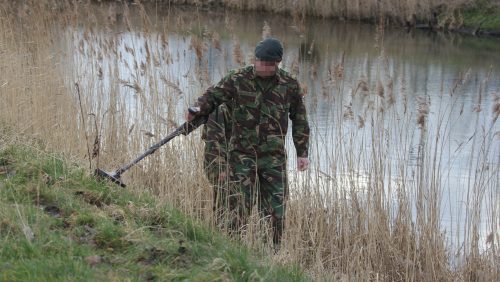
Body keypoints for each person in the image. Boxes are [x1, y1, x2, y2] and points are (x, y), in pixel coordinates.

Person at [187, 38, 310, 245]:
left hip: (273, 160)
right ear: (255, 58)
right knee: (235, 210)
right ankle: (228, 251)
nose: (263, 67)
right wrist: (197, 109)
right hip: (241, 156)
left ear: (277, 63)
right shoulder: (237, 78)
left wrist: (302, 152)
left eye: (269, 64)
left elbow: (299, 119)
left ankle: (269, 257)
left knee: (275, 213)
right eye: (260, 61)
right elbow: (214, 95)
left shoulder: (289, 85)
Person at [201, 104, 231, 225]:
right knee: (222, 198)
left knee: (227, 198)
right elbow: (214, 141)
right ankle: (219, 230)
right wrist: (222, 168)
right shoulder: (220, 109)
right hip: (217, 161)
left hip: (226, 160)